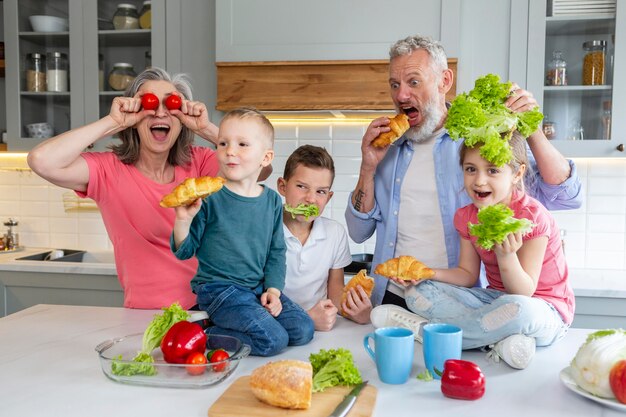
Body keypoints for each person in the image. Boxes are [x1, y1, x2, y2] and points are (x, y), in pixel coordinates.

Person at [345, 35, 582, 309]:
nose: (401, 95)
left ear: (445, 81)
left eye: (413, 82)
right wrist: (368, 166)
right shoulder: (387, 150)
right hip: (391, 298)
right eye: (395, 85)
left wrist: (531, 128)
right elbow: (358, 232)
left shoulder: (477, 143)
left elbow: (566, 195)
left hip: (460, 301)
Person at [27, 67, 269, 310]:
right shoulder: (107, 170)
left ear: (181, 118)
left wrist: (204, 128)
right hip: (147, 315)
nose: (161, 112)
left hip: (213, 306)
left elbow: (260, 170)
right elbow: (41, 161)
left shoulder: (200, 162)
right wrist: (114, 121)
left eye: (171, 104)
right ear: (135, 115)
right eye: (149, 104)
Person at [389, 132, 574, 370]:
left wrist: (506, 256)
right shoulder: (467, 216)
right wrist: (425, 272)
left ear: (517, 173)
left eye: (493, 170)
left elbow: (524, 291)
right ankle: (502, 340)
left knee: (519, 311)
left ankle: (422, 331)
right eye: (470, 169)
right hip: (496, 301)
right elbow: (466, 274)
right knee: (418, 290)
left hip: (545, 310)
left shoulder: (531, 216)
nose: (479, 181)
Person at [170, 107, 314, 356]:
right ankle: (202, 333)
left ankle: (222, 324)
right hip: (219, 290)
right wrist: (183, 220)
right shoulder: (210, 197)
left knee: (303, 329)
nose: (230, 151)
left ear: (266, 158)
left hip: (256, 289)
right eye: (223, 143)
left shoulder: (271, 201)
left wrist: (273, 291)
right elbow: (185, 251)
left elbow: (276, 252)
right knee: (273, 340)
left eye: (242, 144)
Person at [278, 145, 372, 331]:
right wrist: (306, 319)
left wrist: (355, 310)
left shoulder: (334, 233)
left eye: (320, 191)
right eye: (302, 186)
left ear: (328, 197)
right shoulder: (265, 229)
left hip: (321, 328)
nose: (311, 199)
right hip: (276, 323)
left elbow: (335, 290)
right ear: (283, 186)